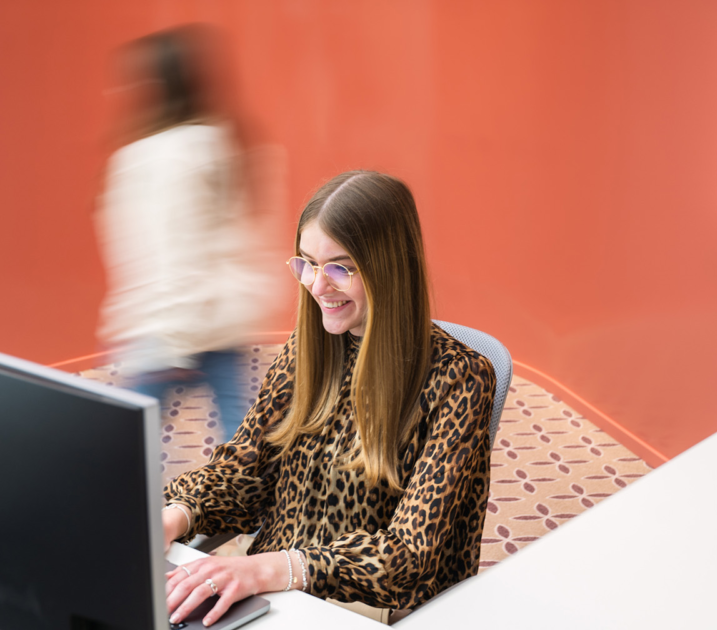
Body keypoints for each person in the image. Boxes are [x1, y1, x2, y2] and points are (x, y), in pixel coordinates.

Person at [160, 171, 497, 626]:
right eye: (306, 264)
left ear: (389, 267)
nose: (317, 286)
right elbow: (245, 471)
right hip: (273, 580)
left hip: (362, 607)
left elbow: (407, 557)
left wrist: (272, 569)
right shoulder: (308, 348)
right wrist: (176, 515)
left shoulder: (461, 379)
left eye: (340, 267)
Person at [96, 26, 276, 442]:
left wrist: (172, 342)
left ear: (156, 84)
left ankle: (109, 504)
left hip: (168, 325)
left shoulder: (163, 155)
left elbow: (174, 249)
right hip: (216, 320)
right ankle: (258, 502)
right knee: (240, 431)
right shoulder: (217, 142)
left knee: (121, 440)